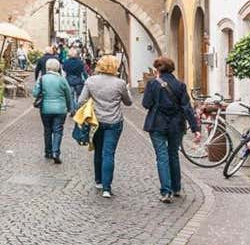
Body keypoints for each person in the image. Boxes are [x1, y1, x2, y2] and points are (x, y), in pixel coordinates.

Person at [142, 56, 201, 203]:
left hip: (157, 124)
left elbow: (146, 104)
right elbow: (187, 108)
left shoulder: (152, 84)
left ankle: (166, 191)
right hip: (176, 125)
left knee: (162, 156)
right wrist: (195, 128)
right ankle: (176, 188)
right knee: (173, 154)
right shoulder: (180, 85)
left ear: (157, 69)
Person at [78, 54, 132, 199]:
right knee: (108, 153)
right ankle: (107, 188)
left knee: (98, 151)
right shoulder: (119, 83)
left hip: (96, 121)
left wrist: (92, 105)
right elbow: (128, 102)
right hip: (114, 121)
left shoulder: (91, 81)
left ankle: (99, 181)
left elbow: (81, 100)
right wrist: (126, 91)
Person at [33, 58, 75, 164]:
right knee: (58, 131)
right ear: (58, 68)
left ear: (47, 67)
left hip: (45, 109)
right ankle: (56, 152)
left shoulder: (42, 79)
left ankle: (48, 152)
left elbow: (35, 93)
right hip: (60, 110)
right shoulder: (62, 80)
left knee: (47, 130)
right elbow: (68, 95)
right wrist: (70, 108)